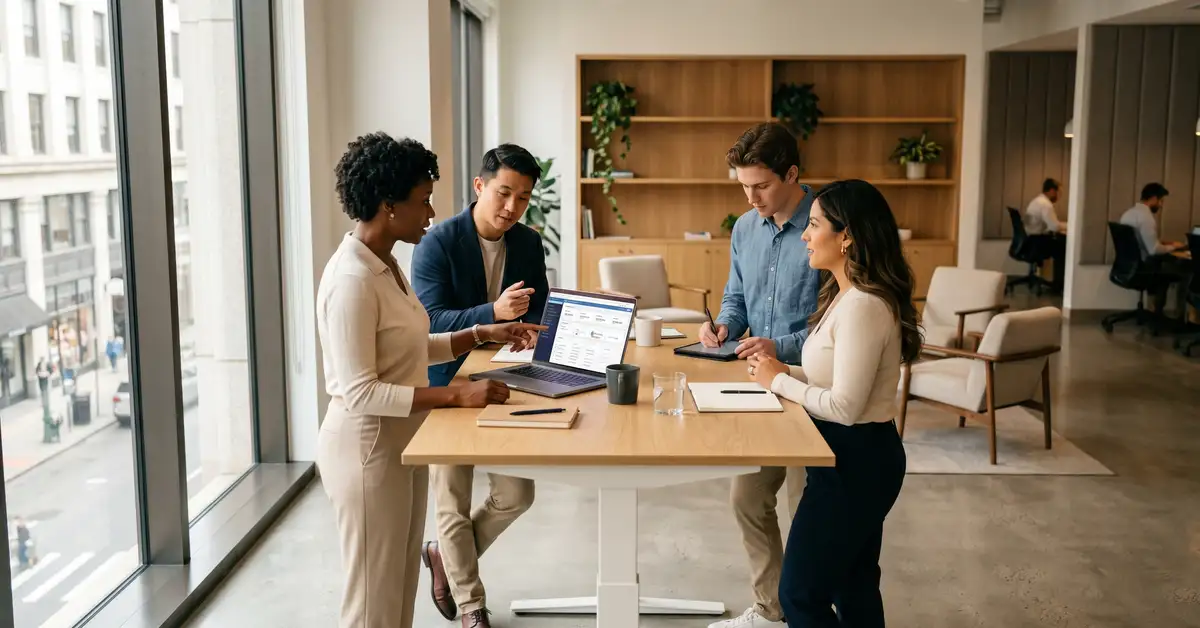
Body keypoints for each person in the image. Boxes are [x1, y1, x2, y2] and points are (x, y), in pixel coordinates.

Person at [315, 131, 544, 628]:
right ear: (387, 204)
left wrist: (482, 331)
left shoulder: (386, 265)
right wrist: (456, 395)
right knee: (371, 605)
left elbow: (412, 343)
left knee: (397, 595)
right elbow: (359, 391)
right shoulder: (352, 279)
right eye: (423, 201)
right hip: (366, 449)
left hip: (402, 441)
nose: (431, 212)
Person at [746, 179, 916, 627]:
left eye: (815, 224)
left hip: (856, 460)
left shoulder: (863, 305)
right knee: (854, 585)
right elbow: (832, 378)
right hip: (847, 456)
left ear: (847, 237)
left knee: (800, 595)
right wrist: (781, 372)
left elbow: (845, 406)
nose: (805, 234)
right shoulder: (844, 296)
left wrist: (780, 383)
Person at [412, 144, 549, 628]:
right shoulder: (438, 243)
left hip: (508, 379)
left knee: (517, 494)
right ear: (479, 187)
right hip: (448, 382)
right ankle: (472, 607)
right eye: (503, 193)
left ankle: (441, 557)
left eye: (523, 197)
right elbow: (429, 323)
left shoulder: (529, 243)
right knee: (451, 497)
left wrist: (534, 331)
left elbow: (538, 310)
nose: (512, 207)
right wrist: (493, 314)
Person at [702, 122, 821, 628]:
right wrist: (725, 324)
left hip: (814, 385)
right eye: (743, 186)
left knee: (807, 511)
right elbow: (736, 294)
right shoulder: (745, 227)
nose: (751, 198)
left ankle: (808, 612)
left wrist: (782, 346)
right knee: (748, 498)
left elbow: (834, 321)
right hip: (758, 382)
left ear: (792, 173)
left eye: (762, 186)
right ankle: (771, 612)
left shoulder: (827, 225)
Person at [1119, 183, 1190, 314]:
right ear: (1153, 199)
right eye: (1161, 201)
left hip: (1127, 267)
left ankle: (1154, 312)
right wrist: (1173, 247)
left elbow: (1139, 240)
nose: (1161, 205)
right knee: (1184, 273)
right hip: (1143, 269)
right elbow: (1153, 250)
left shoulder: (1128, 214)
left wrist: (1165, 243)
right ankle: (1175, 315)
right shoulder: (1146, 218)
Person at [1023, 178, 1067, 291]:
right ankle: (1059, 285)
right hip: (1037, 243)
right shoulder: (1046, 204)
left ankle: (1058, 283)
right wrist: (1069, 226)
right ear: (1052, 191)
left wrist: (1059, 224)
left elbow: (1050, 224)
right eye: (1059, 193)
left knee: (1059, 244)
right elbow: (1054, 227)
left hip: (1029, 240)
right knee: (1063, 248)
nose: (1059, 196)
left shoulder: (1036, 201)